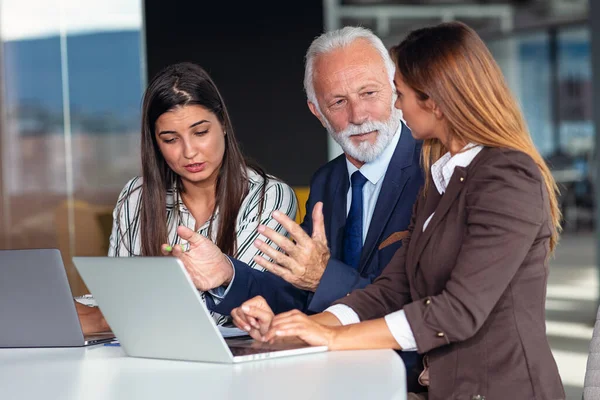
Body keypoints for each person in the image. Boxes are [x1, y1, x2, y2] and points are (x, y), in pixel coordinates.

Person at [231, 22, 565, 400]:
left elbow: (458, 310)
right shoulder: (443, 177)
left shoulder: (507, 176)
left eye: (399, 92)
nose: (396, 105)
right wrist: (307, 326)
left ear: (434, 100)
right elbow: (396, 286)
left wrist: (335, 337)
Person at [162, 27, 424, 390]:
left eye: (369, 93)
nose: (359, 114)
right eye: (338, 102)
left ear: (395, 88)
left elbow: (422, 309)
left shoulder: (434, 172)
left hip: (405, 379)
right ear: (317, 112)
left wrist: (321, 277)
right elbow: (300, 293)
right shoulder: (327, 182)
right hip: (327, 376)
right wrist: (226, 274)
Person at [75, 62, 297, 332]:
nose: (189, 152)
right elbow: (116, 297)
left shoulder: (268, 197)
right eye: (170, 139)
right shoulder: (136, 197)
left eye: (200, 132)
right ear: (155, 143)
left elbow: (227, 311)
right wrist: (85, 309)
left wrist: (103, 317)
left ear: (223, 125)